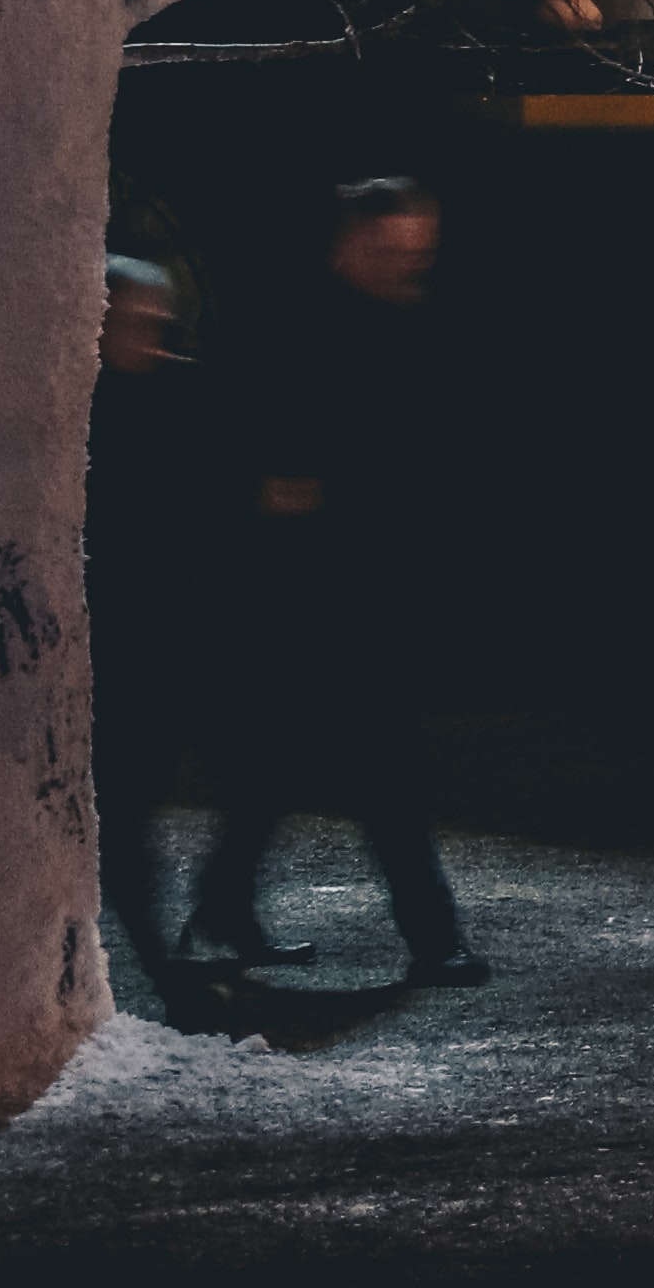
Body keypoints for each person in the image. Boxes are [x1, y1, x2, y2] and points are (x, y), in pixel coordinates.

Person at [188, 177, 482, 988]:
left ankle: (225, 900)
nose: (411, 264)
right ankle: (432, 935)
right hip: (318, 591)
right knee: (383, 767)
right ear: (349, 245)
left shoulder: (375, 323)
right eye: (396, 250)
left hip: (336, 584)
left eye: (419, 250)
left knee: (284, 762)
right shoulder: (305, 332)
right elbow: (284, 478)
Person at [91, 241, 230, 1022]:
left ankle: (175, 949)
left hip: (157, 638)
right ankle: (164, 966)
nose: (153, 334)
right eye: (136, 320)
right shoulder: (97, 413)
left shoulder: (161, 402)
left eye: (158, 321)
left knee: (137, 808)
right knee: (127, 816)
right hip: (118, 644)